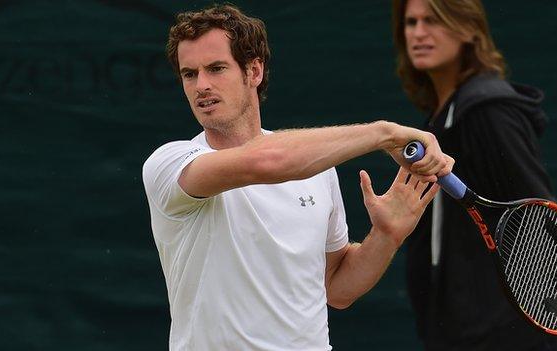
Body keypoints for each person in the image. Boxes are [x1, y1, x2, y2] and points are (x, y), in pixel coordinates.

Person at [142, 4, 453, 350]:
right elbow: (267, 162)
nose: (201, 85)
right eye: (189, 74)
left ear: (254, 71)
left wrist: (385, 236)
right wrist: (384, 133)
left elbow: (336, 289)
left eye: (216, 68)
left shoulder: (317, 169)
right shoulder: (170, 164)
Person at [390, 0, 557, 350]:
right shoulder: (442, 117)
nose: (419, 33)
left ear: (469, 29)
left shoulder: (489, 112)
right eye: (411, 23)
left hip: (502, 336)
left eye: (434, 20)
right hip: (452, 333)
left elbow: (544, 217)